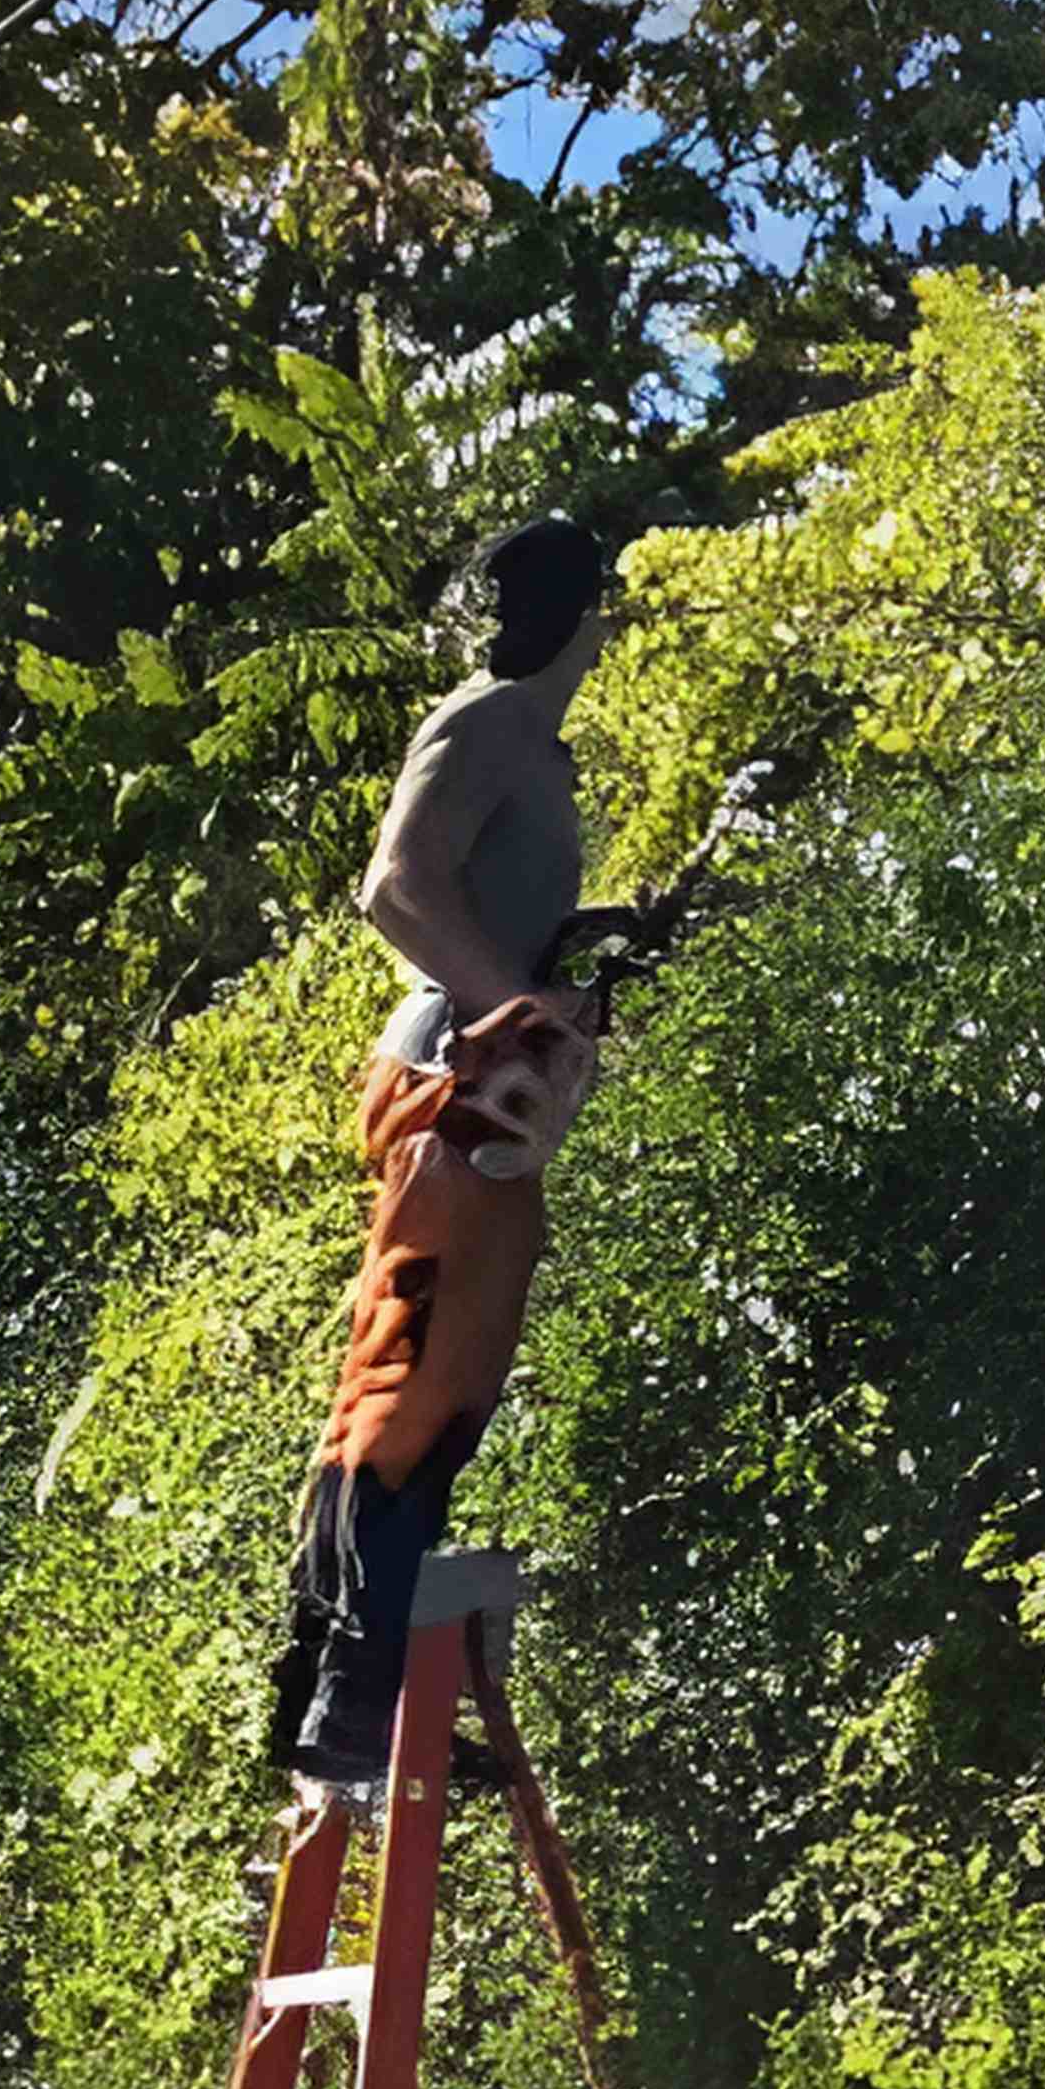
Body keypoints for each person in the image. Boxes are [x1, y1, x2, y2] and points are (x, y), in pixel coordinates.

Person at [266, 513, 628, 1788]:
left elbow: (485, 903)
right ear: (598, 608)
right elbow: (398, 889)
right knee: (409, 1389)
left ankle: (325, 1700)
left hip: (484, 1087)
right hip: (450, 1084)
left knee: (443, 1385)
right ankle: (346, 1704)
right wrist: (516, 1007)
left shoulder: (535, 740)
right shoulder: (485, 721)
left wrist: (579, 942)